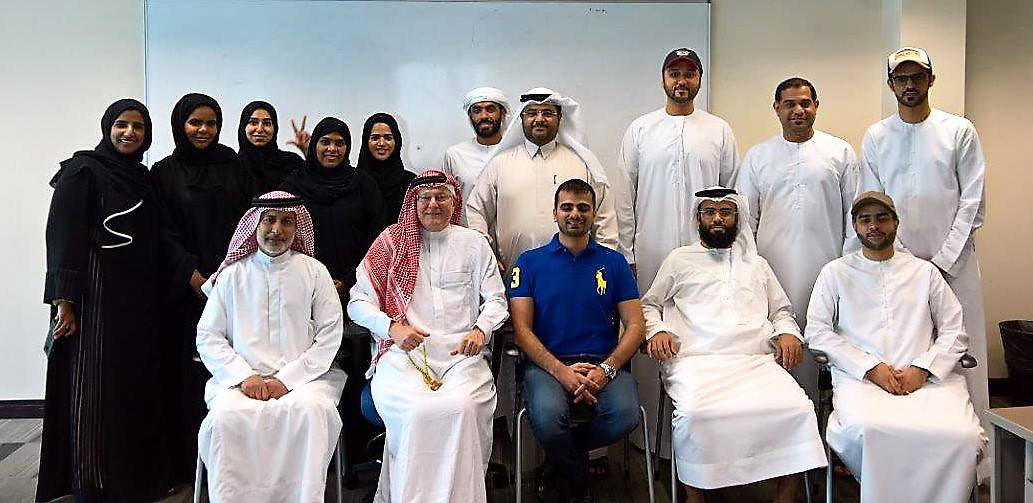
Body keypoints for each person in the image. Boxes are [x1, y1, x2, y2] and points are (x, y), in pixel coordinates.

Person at [642, 187, 826, 503]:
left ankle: (786, 497)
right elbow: (649, 304)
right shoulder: (679, 259)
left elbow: (781, 310)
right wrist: (656, 331)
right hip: (696, 361)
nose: (717, 219)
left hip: (755, 361)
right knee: (696, 415)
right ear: (697, 218)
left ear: (736, 219)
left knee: (797, 408)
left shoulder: (757, 264)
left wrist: (787, 333)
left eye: (725, 213)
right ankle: (696, 496)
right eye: (710, 212)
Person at [806, 191, 985, 503]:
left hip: (927, 383)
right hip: (861, 381)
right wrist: (869, 368)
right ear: (855, 226)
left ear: (896, 223)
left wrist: (923, 369)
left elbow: (954, 330)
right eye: (865, 219)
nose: (874, 225)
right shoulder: (834, 273)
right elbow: (818, 332)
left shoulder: (924, 272)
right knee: (863, 431)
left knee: (964, 437)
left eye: (882, 218)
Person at [39, 99, 171, 502]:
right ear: (107, 128)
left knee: (131, 388)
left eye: (138, 127)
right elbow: (62, 238)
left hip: (137, 302)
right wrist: (65, 301)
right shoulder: (82, 172)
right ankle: (92, 483)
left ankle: (133, 478)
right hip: (93, 302)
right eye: (121, 125)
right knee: (92, 390)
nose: (129, 133)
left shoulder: (142, 178)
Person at [348, 171, 508, 503]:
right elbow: (357, 302)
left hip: (462, 357)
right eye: (425, 198)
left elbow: (496, 300)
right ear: (413, 203)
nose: (433, 204)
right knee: (418, 412)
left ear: (454, 202)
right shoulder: (391, 243)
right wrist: (392, 328)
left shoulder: (474, 244)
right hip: (403, 356)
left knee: (462, 409)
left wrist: (482, 329)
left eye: (441, 197)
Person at [858, 47, 989, 441]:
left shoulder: (959, 130)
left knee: (963, 352)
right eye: (901, 78)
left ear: (931, 79)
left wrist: (943, 261)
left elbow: (973, 202)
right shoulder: (877, 136)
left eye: (917, 77)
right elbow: (872, 202)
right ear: (891, 84)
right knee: (905, 350)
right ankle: (907, 443)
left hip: (955, 264)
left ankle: (976, 455)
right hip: (895, 266)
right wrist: (899, 262)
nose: (910, 85)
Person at [616, 49, 739, 435]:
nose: (681, 81)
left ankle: (698, 430)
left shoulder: (719, 130)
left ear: (700, 79)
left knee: (699, 330)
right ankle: (648, 435)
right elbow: (624, 193)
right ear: (663, 78)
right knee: (651, 327)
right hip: (651, 250)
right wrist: (627, 251)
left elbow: (731, 194)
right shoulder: (640, 129)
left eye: (689, 73)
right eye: (674, 73)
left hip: (705, 253)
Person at [196, 191, 346, 503]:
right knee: (225, 419)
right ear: (255, 225)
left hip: (303, 382)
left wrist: (286, 380)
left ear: (297, 227)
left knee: (312, 413)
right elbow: (208, 336)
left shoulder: (314, 272)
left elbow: (329, 335)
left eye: (287, 221)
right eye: (269, 220)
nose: (276, 229)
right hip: (240, 383)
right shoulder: (232, 274)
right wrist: (243, 376)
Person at [509, 179, 644, 503]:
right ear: (555, 213)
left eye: (583, 208)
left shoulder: (614, 263)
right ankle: (576, 473)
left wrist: (606, 370)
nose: (575, 214)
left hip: (603, 364)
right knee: (546, 418)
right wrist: (561, 371)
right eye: (567, 207)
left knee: (626, 415)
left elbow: (636, 325)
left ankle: (560, 461)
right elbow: (521, 329)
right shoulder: (528, 262)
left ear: (594, 214)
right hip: (547, 366)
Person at [149, 92, 254, 483]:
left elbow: (251, 221)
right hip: (184, 292)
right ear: (180, 124)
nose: (203, 130)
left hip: (234, 286)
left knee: (235, 370)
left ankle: (235, 468)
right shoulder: (163, 172)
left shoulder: (236, 167)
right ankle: (187, 467)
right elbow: (161, 230)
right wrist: (192, 273)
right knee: (187, 376)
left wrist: (227, 274)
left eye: (210, 123)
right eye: (195, 122)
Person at [735, 77, 858, 402]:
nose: (798, 110)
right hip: (772, 273)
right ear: (776, 109)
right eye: (789, 104)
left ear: (816, 106)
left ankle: (822, 427)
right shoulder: (758, 156)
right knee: (775, 343)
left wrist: (846, 266)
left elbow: (853, 215)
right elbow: (746, 221)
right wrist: (752, 271)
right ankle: (780, 417)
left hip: (827, 269)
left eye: (805, 103)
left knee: (824, 347)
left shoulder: (840, 152)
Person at [280, 115, 385, 478]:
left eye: (339, 143)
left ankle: (356, 455)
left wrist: (347, 278)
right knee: (312, 368)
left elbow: (377, 239)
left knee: (358, 370)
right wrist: (318, 282)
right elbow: (283, 236)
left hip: (356, 290)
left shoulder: (363, 184)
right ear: (313, 146)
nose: (332, 149)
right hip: (303, 293)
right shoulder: (294, 184)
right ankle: (313, 462)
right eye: (325, 142)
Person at [467, 87, 618, 277]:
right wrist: (486, 255)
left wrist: (604, 264)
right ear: (521, 118)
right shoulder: (499, 164)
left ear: (559, 118)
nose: (539, 119)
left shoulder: (582, 164)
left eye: (547, 113)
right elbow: (476, 210)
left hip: (576, 274)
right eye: (532, 113)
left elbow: (604, 218)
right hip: (513, 275)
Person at [442, 86, 509, 211]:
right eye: (477, 111)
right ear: (470, 116)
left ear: (503, 114)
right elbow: (447, 199)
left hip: (508, 230)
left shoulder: (515, 151)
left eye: (490, 109)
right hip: (466, 229)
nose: (484, 116)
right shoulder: (455, 155)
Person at [357, 113, 416, 224]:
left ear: (397, 141)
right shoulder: (353, 182)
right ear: (366, 141)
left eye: (388, 138)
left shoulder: (411, 184)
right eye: (375, 138)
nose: (381, 143)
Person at [236, 100, 304, 195]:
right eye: (253, 123)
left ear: (275, 128)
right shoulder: (233, 166)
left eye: (267, 123)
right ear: (243, 127)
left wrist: (307, 150)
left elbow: (317, 183)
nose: (260, 129)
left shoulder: (292, 162)